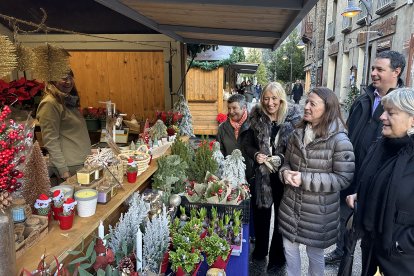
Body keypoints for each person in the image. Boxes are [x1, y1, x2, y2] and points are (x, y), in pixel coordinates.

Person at [325, 50, 406, 264]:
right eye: (373, 68)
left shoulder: (404, 106)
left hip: (378, 178)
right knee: (343, 217)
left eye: (380, 69)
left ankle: (369, 260)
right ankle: (342, 252)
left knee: (370, 230)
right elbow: (347, 131)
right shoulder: (363, 100)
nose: (373, 73)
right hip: (351, 171)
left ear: (396, 72)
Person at [278, 87, 355, 276]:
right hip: (291, 205)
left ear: (327, 108)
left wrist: (304, 179)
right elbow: (286, 163)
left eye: (313, 103)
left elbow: (343, 178)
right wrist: (285, 173)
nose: (306, 107)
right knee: (289, 247)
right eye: (307, 102)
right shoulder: (297, 132)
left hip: (318, 211)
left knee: (314, 253)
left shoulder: (339, 140)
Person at [346, 88, 414, 275]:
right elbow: (383, 183)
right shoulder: (381, 146)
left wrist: (400, 245)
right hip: (372, 250)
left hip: (403, 261)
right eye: (384, 111)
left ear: (412, 120)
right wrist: (362, 194)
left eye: (391, 113)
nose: (382, 117)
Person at [242, 82, 301, 273]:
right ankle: (260, 251)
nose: (270, 103)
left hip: (284, 174)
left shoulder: (293, 118)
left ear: (281, 98)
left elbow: (298, 149)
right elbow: (247, 144)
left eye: (274, 98)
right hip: (263, 175)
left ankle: (277, 256)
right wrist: (255, 155)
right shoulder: (256, 116)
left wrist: (282, 158)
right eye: (266, 98)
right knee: (261, 214)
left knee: (281, 218)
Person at [37, 70, 91, 182]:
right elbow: (50, 140)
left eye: (70, 77)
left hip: (81, 163)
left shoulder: (67, 101)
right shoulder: (50, 103)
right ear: (52, 80)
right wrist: (63, 170)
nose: (68, 81)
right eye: (63, 77)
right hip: (70, 167)